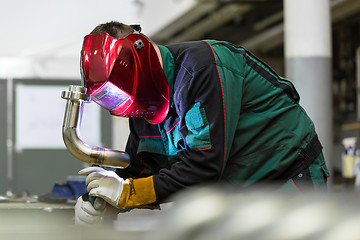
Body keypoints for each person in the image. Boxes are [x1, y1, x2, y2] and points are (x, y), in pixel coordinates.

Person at [75, 21, 330, 224]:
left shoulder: (201, 68)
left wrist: (127, 193)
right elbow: (142, 168)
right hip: (237, 192)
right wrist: (101, 201)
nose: (126, 109)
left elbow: (205, 165)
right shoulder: (143, 105)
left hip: (286, 175)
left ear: (140, 57)